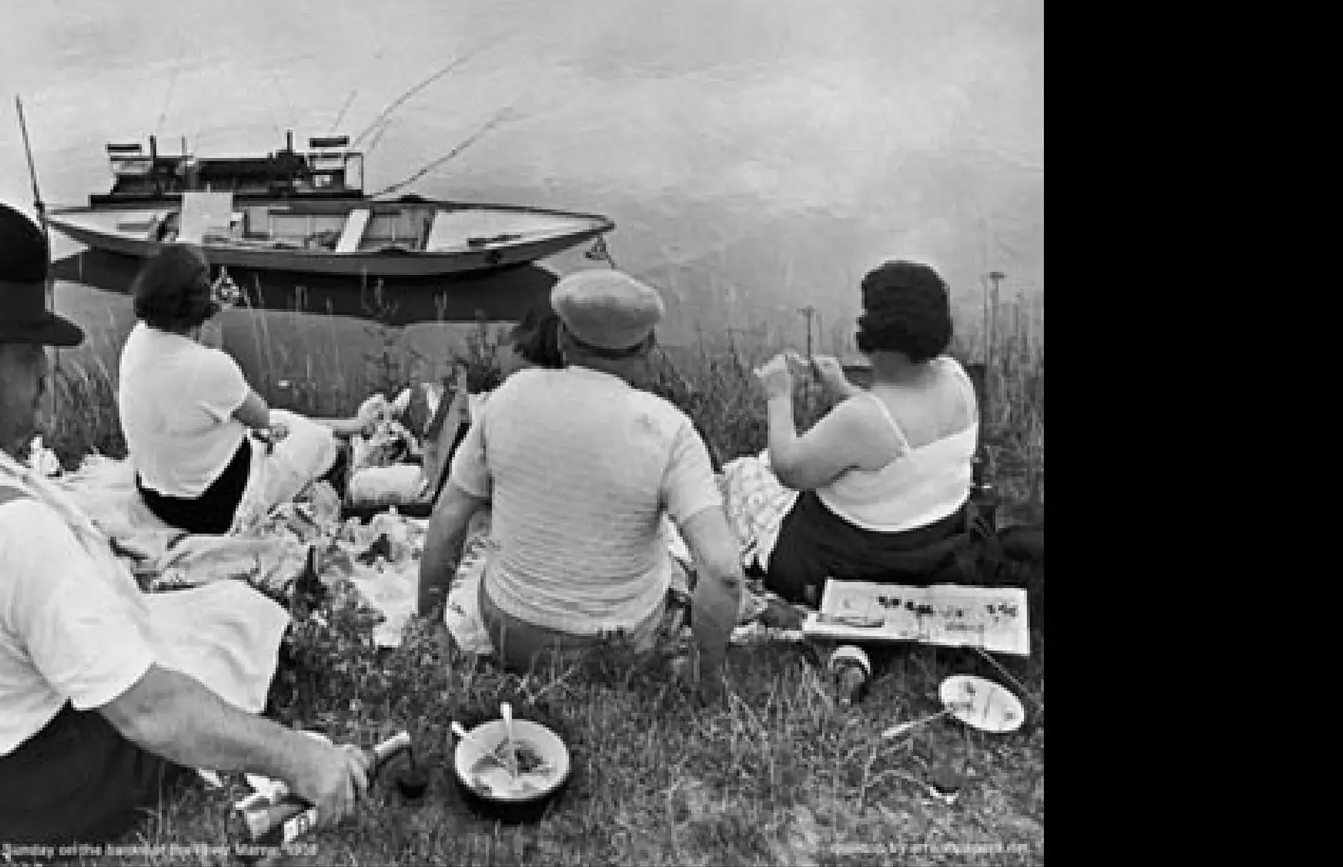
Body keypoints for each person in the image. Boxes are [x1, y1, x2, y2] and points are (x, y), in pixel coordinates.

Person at [0, 196, 368, 848]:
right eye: (31, 358)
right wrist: (303, 757)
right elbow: (149, 711)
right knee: (228, 629)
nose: (46, 380)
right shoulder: (14, 531)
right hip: (39, 794)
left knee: (192, 622)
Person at [414, 269, 744, 685]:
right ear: (646, 349)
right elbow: (725, 573)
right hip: (619, 648)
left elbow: (448, 518)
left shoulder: (507, 398)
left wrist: (429, 629)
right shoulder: (668, 429)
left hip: (508, 633)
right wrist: (707, 673)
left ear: (562, 339)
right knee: (676, 566)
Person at [754, 259, 979, 605]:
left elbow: (789, 468)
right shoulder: (957, 380)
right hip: (932, 546)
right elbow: (898, 431)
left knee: (748, 477)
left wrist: (778, 396)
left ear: (874, 329)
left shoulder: (860, 420)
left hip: (850, 564)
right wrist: (841, 388)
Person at [118, 246, 303, 536]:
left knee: (223, 410)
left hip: (155, 494)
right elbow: (261, 416)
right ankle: (350, 431)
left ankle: (351, 425)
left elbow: (204, 379)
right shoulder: (211, 369)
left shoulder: (138, 339)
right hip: (207, 508)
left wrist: (210, 316)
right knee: (302, 440)